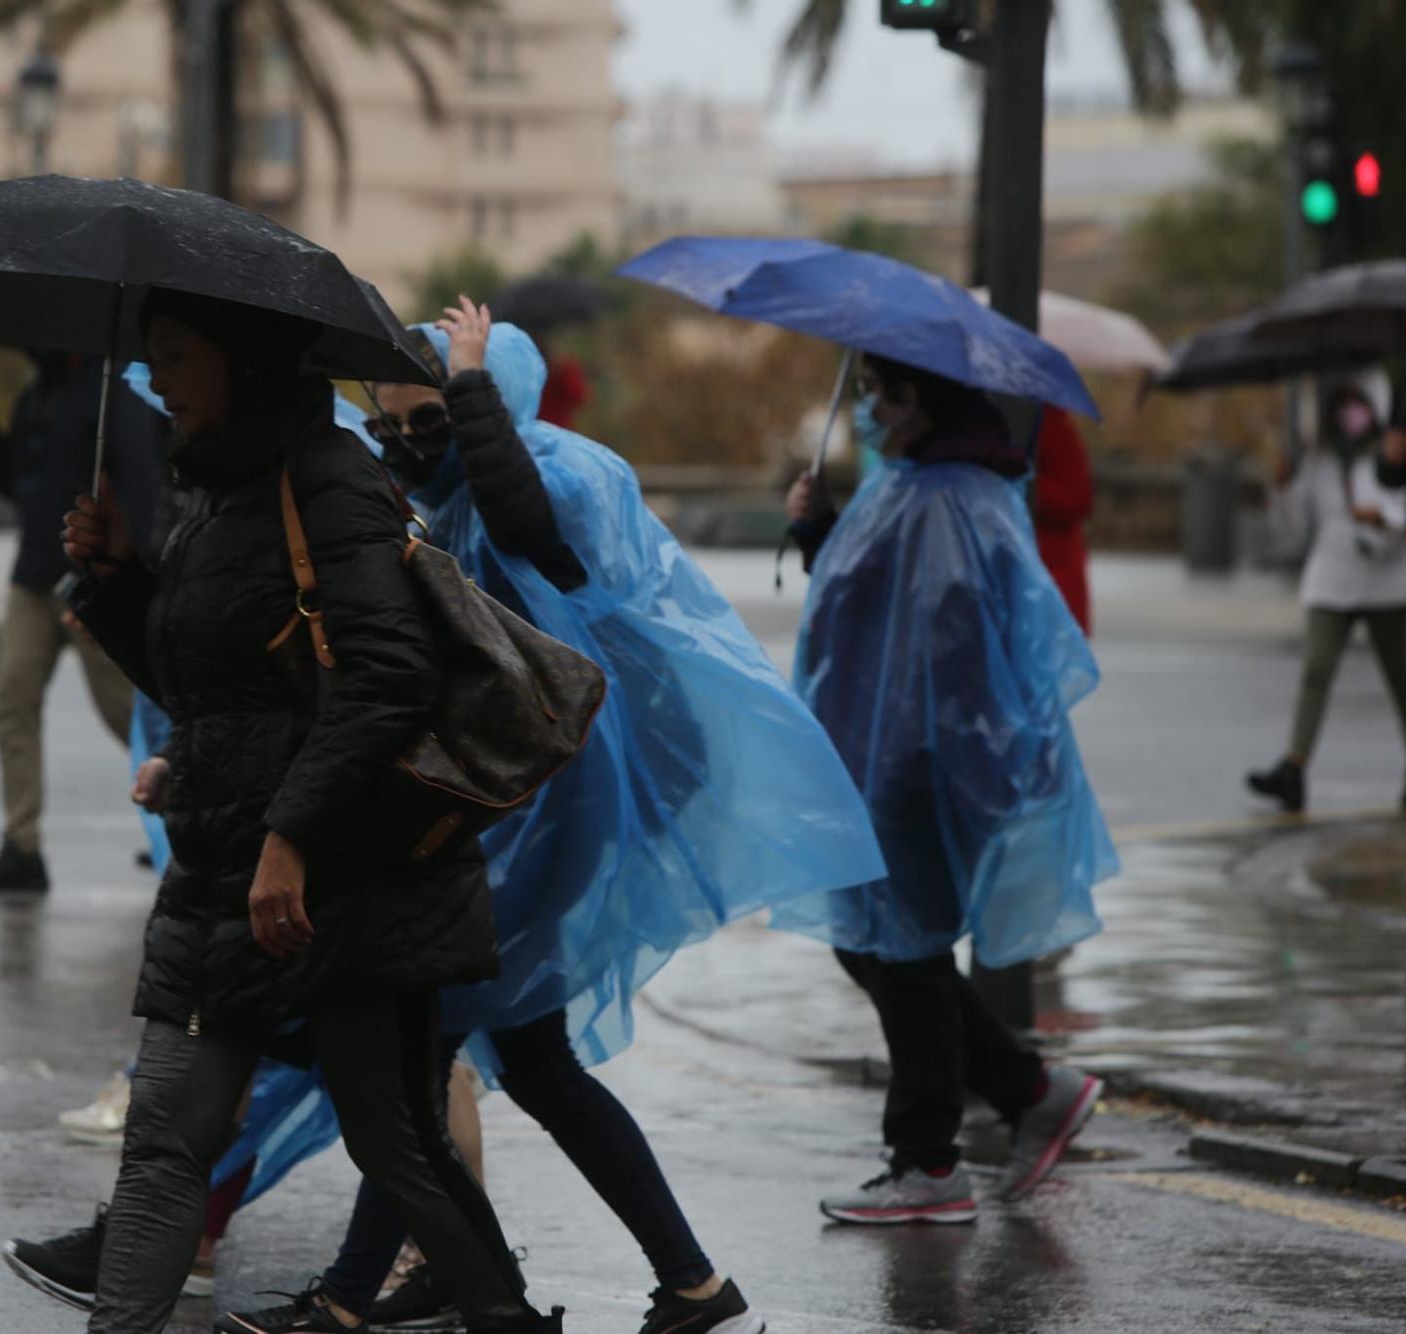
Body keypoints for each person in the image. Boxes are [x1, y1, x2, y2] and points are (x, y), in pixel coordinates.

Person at [206, 300, 881, 1334]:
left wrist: (468, 381)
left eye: (429, 423)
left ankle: (361, 1298)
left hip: (549, 824)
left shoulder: (558, 479)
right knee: (520, 1060)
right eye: (387, 427)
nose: (407, 447)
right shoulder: (446, 505)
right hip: (510, 820)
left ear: (493, 407)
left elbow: (529, 526)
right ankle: (684, 1280)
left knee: (422, 1061)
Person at [2, 291, 560, 1334]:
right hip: (219, 867)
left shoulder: (331, 479)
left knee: (389, 1136)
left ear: (241, 362)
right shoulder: (205, 487)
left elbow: (388, 674)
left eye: (173, 356)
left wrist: (291, 835)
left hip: (343, 880)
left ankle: (501, 1317)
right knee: (166, 1134)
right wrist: (120, 580)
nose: (155, 379)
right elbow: (209, 681)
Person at [781, 354, 1115, 1225]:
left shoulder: (949, 498)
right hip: (879, 750)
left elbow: (951, 642)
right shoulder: (914, 484)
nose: (867, 409)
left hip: (912, 759)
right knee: (879, 945)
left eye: (880, 394)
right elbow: (868, 603)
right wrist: (819, 532)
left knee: (903, 951)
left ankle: (930, 1163)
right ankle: (1030, 1090)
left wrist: (950, 763)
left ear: (918, 401)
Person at [0, 349, 166, 893]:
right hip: (32, 579)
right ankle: (21, 846)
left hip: (89, 581)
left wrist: (116, 581)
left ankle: (185, 811)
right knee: (12, 697)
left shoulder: (110, 394)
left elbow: (138, 487)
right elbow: (17, 486)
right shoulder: (33, 396)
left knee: (125, 711)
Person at [1247, 381, 1406, 814]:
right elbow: (1297, 528)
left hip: (1389, 585)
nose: (1350, 415)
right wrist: (1281, 488)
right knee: (1316, 670)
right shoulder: (1322, 463)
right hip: (1332, 581)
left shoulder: (1391, 456)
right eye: (1343, 405)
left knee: (1401, 681)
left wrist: (1383, 519)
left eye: (1358, 405)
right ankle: (1294, 768)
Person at [1033, 406, 1095, 636]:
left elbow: (1077, 497)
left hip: (1053, 573)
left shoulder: (1049, 421)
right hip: (1044, 572)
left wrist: (1025, 486)